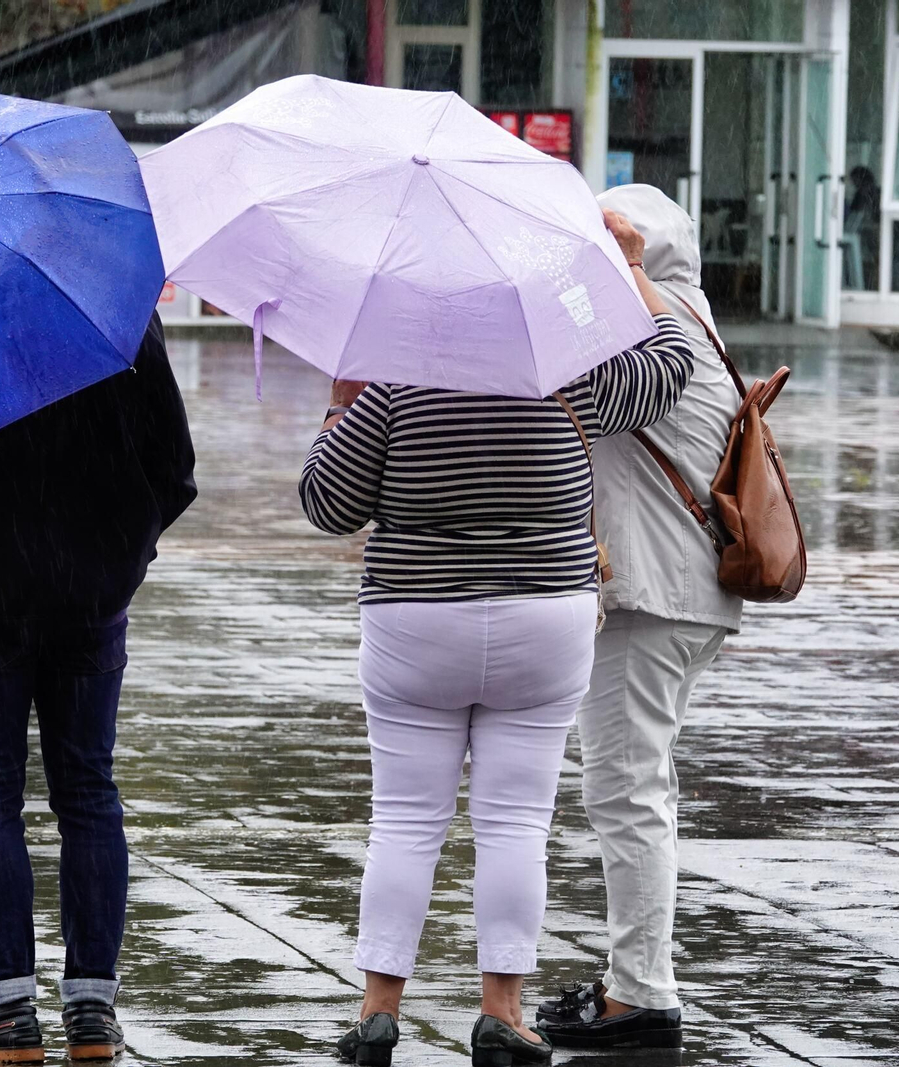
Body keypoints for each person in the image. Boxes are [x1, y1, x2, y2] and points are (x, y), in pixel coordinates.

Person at [300, 209, 695, 1067]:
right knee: (516, 822)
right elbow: (672, 365)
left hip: (415, 621)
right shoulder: (567, 368)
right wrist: (632, 269)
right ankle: (503, 1014)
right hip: (543, 620)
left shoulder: (396, 380)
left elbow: (328, 505)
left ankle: (378, 1011)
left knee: (404, 820)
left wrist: (340, 404)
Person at [0, 315, 196, 1064]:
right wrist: (118, 552)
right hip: (88, 596)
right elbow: (174, 467)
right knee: (88, 791)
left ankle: (8, 1007)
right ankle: (91, 1012)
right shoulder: (114, 307)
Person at [533, 184, 743, 1051]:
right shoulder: (692, 319)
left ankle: (642, 993)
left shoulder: (656, 329)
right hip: (679, 591)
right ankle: (636, 979)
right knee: (638, 785)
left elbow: (590, 401)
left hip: (654, 595)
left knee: (626, 791)